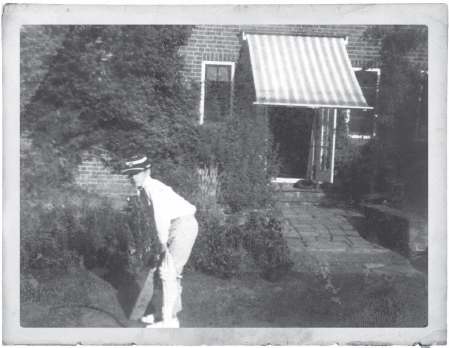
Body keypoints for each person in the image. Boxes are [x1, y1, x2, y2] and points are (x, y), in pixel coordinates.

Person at [122, 154, 198, 328]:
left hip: (183, 225)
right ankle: (161, 313)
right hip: (176, 226)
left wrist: (163, 244)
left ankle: (170, 320)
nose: (133, 177)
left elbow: (161, 218)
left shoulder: (153, 189)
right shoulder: (144, 189)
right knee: (161, 271)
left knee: (170, 272)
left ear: (147, 171)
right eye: (130, 174)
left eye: (137, 172)